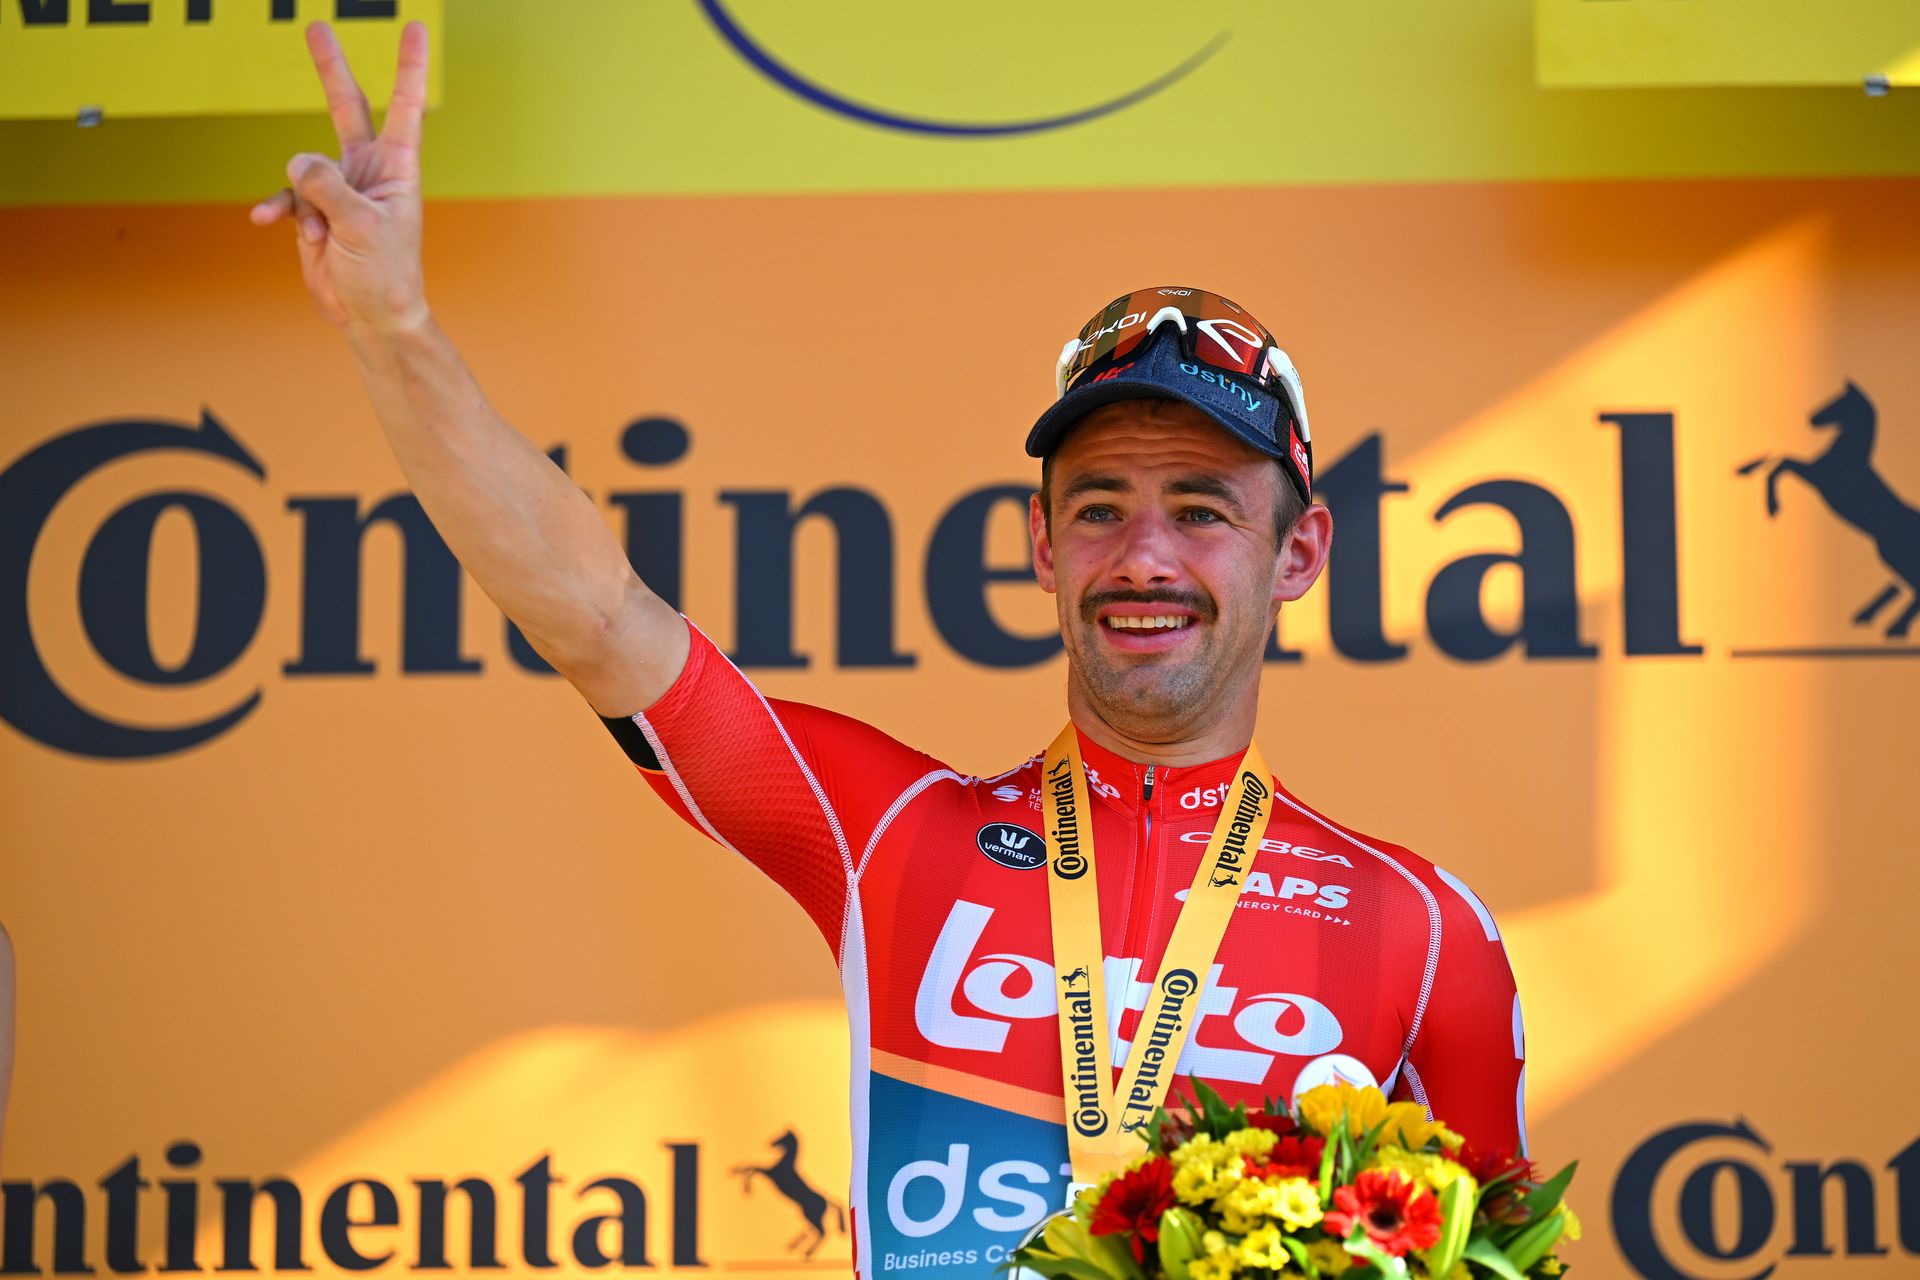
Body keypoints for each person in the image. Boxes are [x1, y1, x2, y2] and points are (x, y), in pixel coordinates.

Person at [253, 23, 1526, 1276]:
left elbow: (1503, 1256)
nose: (1144, 556)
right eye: (1099, 508)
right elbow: (594, 616)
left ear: (1297, 554)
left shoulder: (1422, 929)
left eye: (1201, 509)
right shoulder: (892, 835)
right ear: (1040, 544)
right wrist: (396, 323)